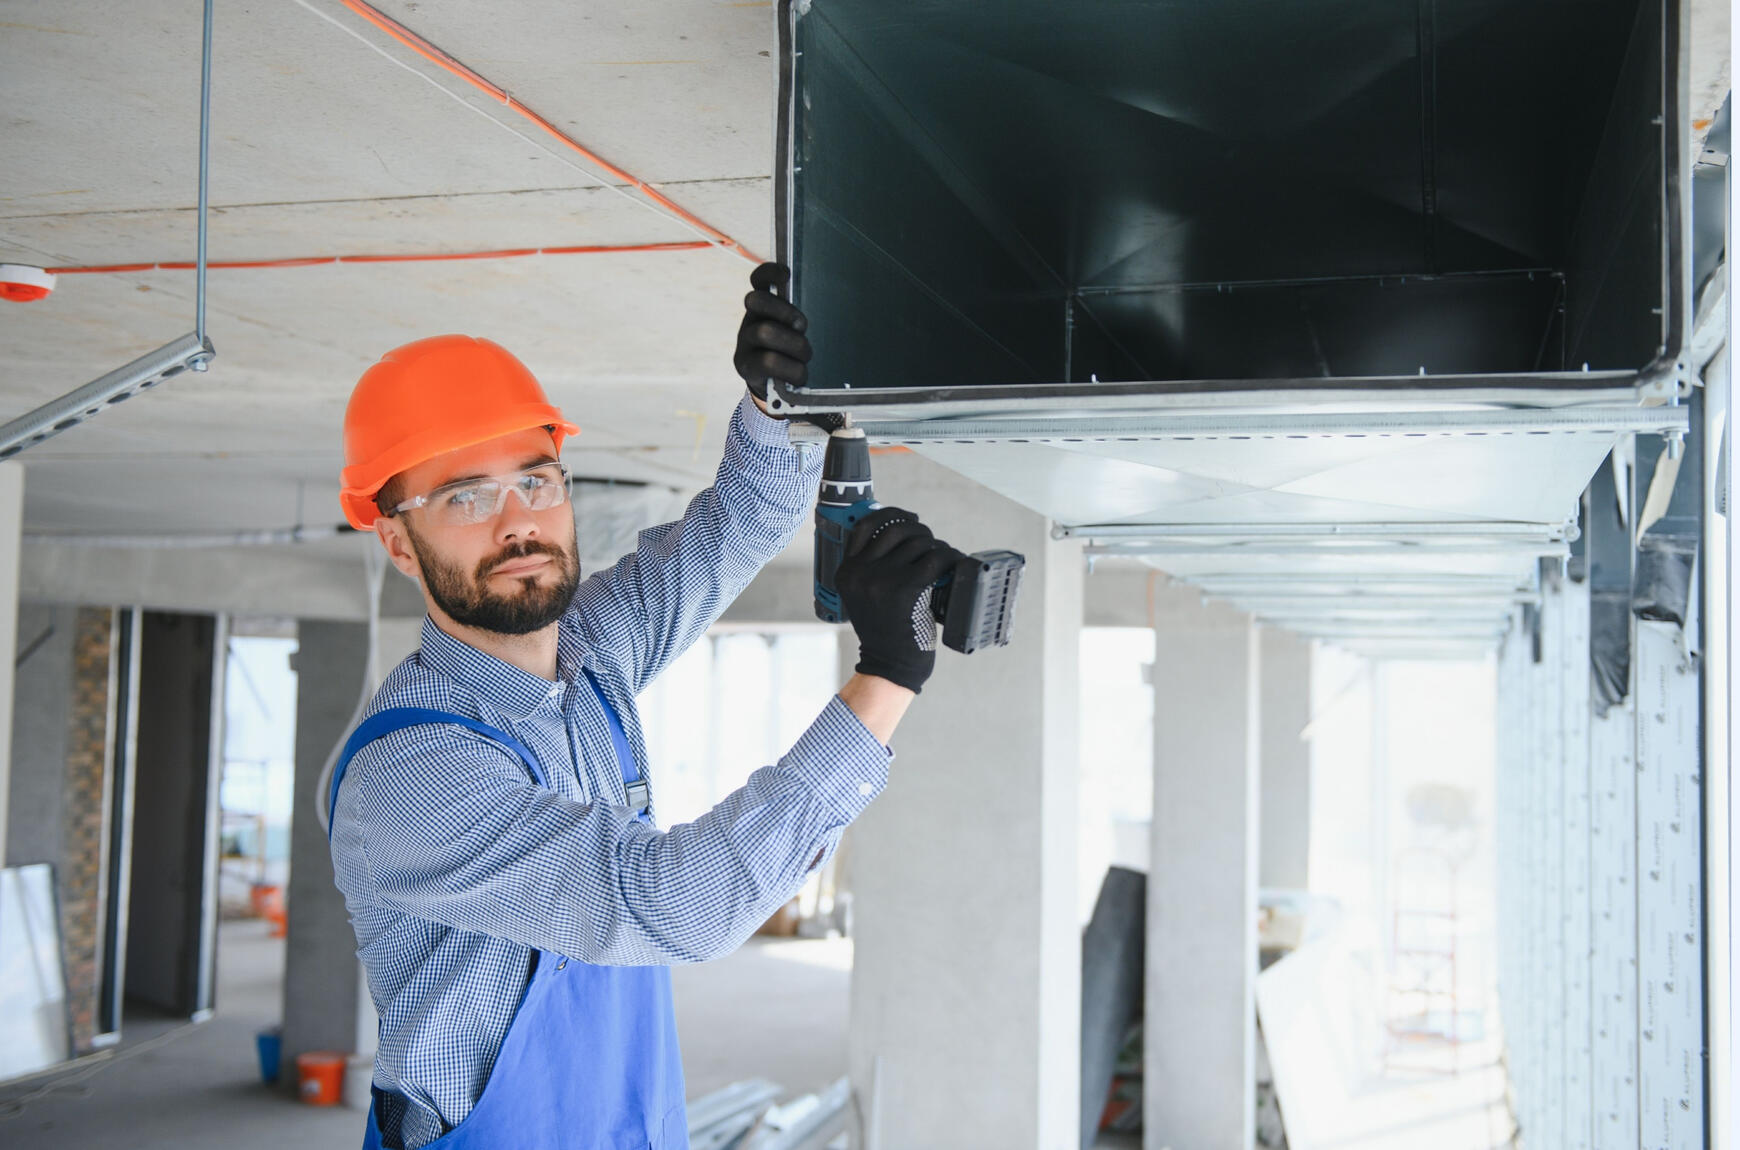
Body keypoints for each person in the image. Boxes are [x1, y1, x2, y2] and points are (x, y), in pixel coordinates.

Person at [326, 263, 960, 1150]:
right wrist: (886, 677)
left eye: (537, 480)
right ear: (397, 541)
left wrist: (771, 403)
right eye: (466, 497)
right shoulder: (409, 774)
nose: (519, 522)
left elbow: (736, 526)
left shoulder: (591, 652)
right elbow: (675, 905)